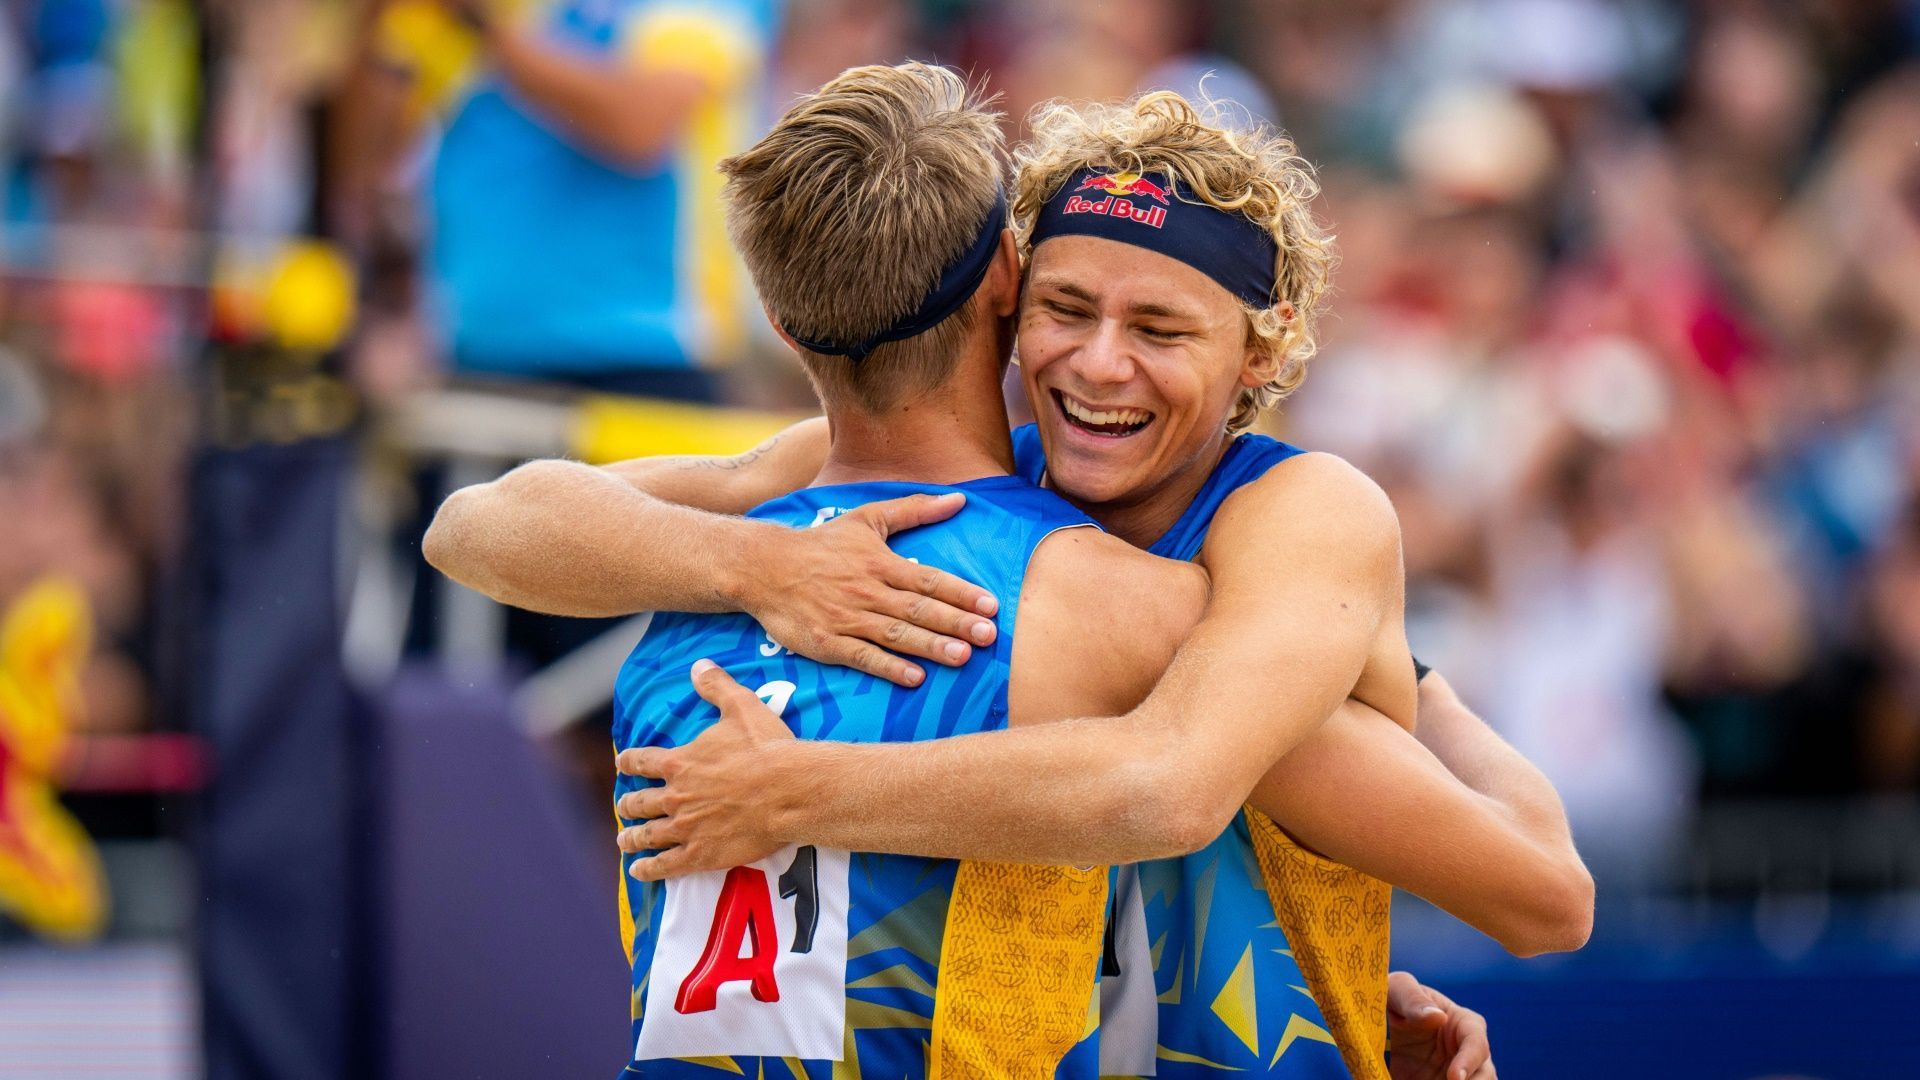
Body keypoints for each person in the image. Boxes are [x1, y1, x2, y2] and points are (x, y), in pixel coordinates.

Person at [428, 73, 1590, 1078]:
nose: (1097, 362)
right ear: (1008, 289)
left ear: (1266, 346)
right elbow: (480, 523)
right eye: (1067, 308)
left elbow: (1537, 892)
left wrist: (1403, 671)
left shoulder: (1300, 518)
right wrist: (762, 564)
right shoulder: (968, 500)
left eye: (1161, 330)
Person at [389, 0, 779, 396]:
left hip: (648, 352)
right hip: (477, 349)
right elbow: (377, 155)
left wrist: (482, 26)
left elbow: (641, 125)